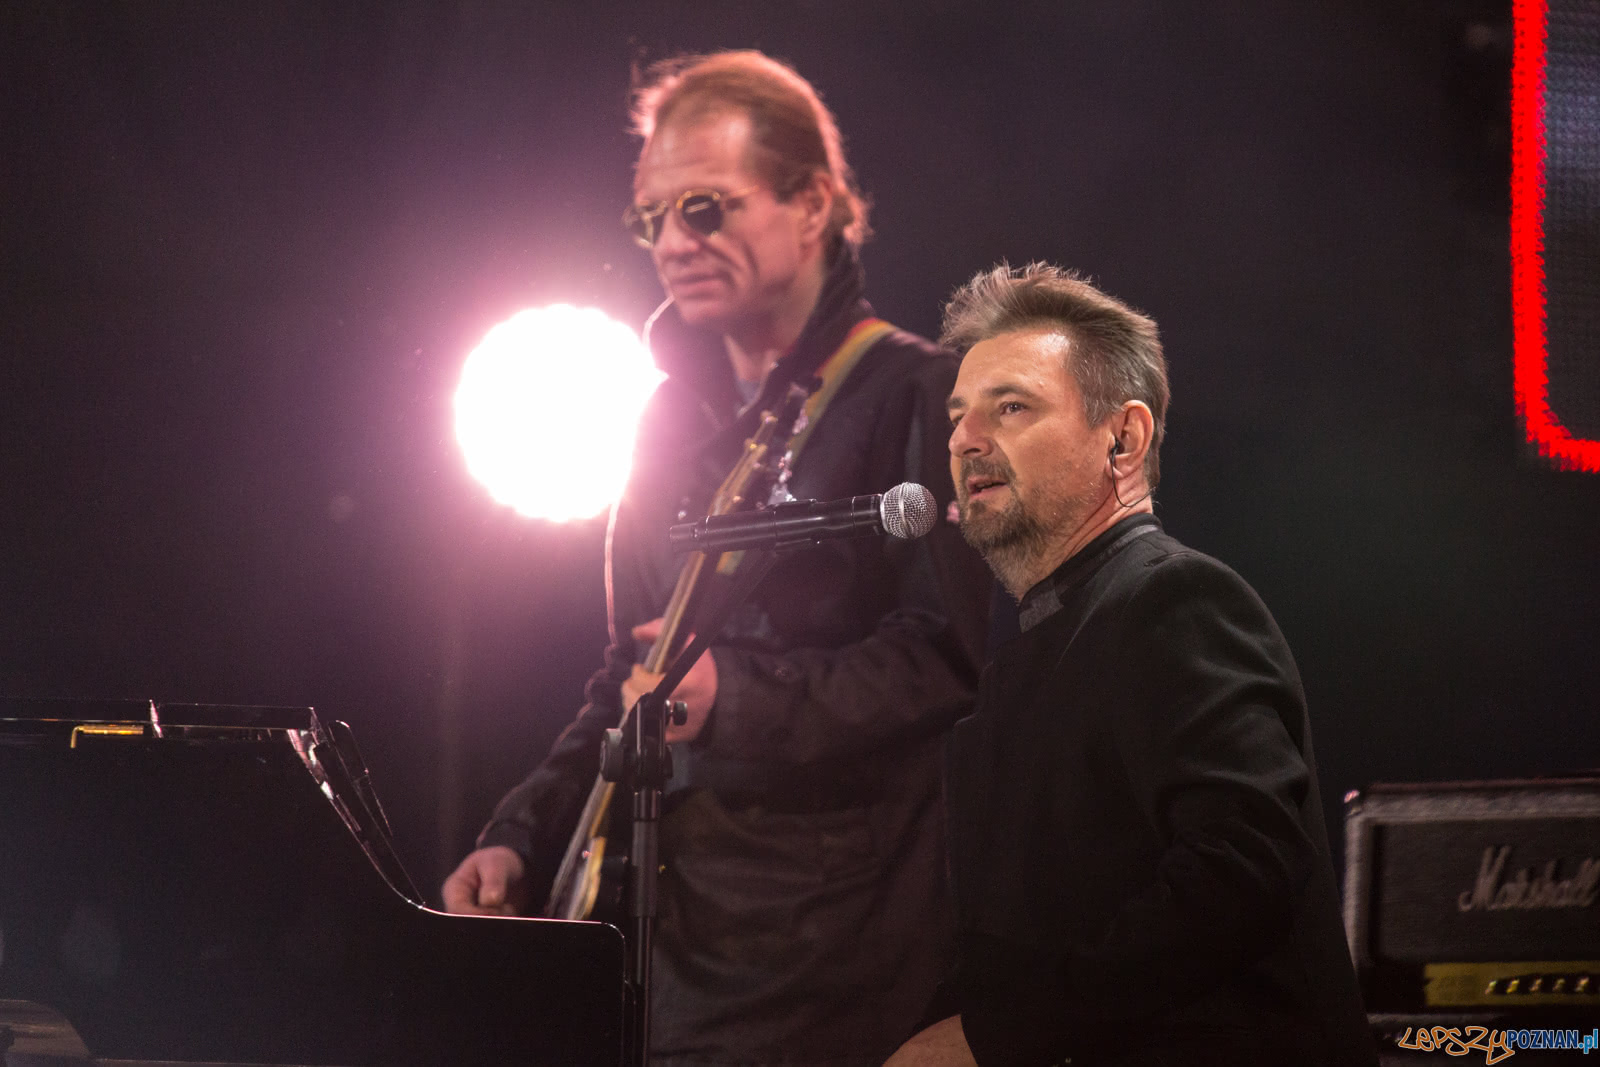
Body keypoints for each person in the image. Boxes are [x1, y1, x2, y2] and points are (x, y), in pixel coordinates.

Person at [442, 51, 990, 1066]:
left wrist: (737, 694)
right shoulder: (661, 418)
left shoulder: (918, 391)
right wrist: (522, 829)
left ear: (812, 202)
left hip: (821, 960)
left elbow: (947, 657)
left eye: (704, 207)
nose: (670, 242)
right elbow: (632, 674)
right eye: (650, 217)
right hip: (653, 945)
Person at [886, 264, 1376, 1067]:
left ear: (1125, 437)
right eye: (959, 413)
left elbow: (1241, 871)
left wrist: (996, 1035)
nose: (963, 439)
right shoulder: (1028, 658)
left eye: (1011, 407)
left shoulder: (1173, 599)